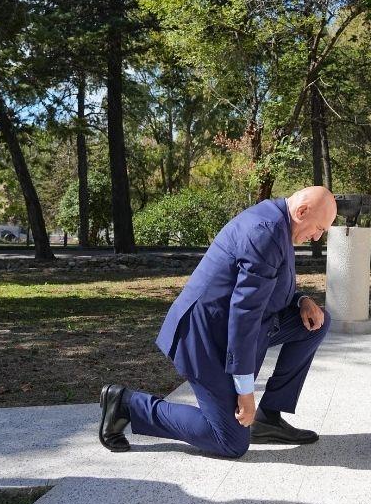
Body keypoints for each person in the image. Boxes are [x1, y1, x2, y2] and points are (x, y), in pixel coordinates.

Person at [99, 186, 338, 457]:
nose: (317, 237)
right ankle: (127, 404)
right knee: (230, 441)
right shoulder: (266, 231)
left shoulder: (279, 222)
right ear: (302, 211)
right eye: (319, 228)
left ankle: (268, 418)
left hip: (233, 327)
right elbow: (244, 314)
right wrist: (245, 391)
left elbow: (268, 284)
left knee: (316, 323)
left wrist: (300, 300)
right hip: (205, 337)